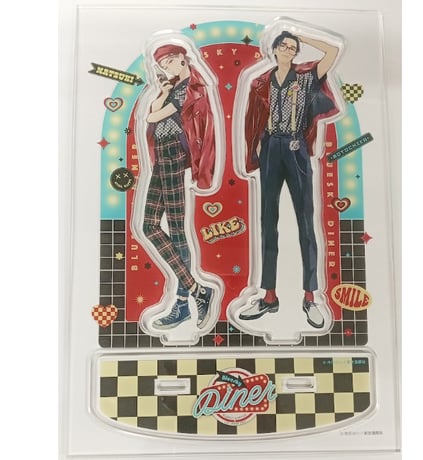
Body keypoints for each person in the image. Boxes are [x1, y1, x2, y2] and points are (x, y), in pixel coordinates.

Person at [239, 31, 341, 328]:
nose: (287, 49)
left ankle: (310, 296)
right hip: (271, 147)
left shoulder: (306, 77)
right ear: (273, 49)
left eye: (292, 47)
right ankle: (269, 295)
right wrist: (257, 149)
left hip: (296, 147)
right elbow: (251, 119)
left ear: (297, 51)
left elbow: (332, 53)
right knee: (268, 222)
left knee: (306, 222)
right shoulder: (261, 82)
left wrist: (305, 37)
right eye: (283, 45)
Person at [142, 44, 215, 329]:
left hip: (173, 152)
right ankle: (196, 290)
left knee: (175, 229)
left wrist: (163, 98)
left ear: (182, 58)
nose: (167, 68)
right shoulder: (173, 89)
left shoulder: (190, 88)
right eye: (163, 66)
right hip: (162, 154)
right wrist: (162, 92)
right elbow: (154, 110)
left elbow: (152, 117)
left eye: (170, 62)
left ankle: (183, 302)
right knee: (149, 225)